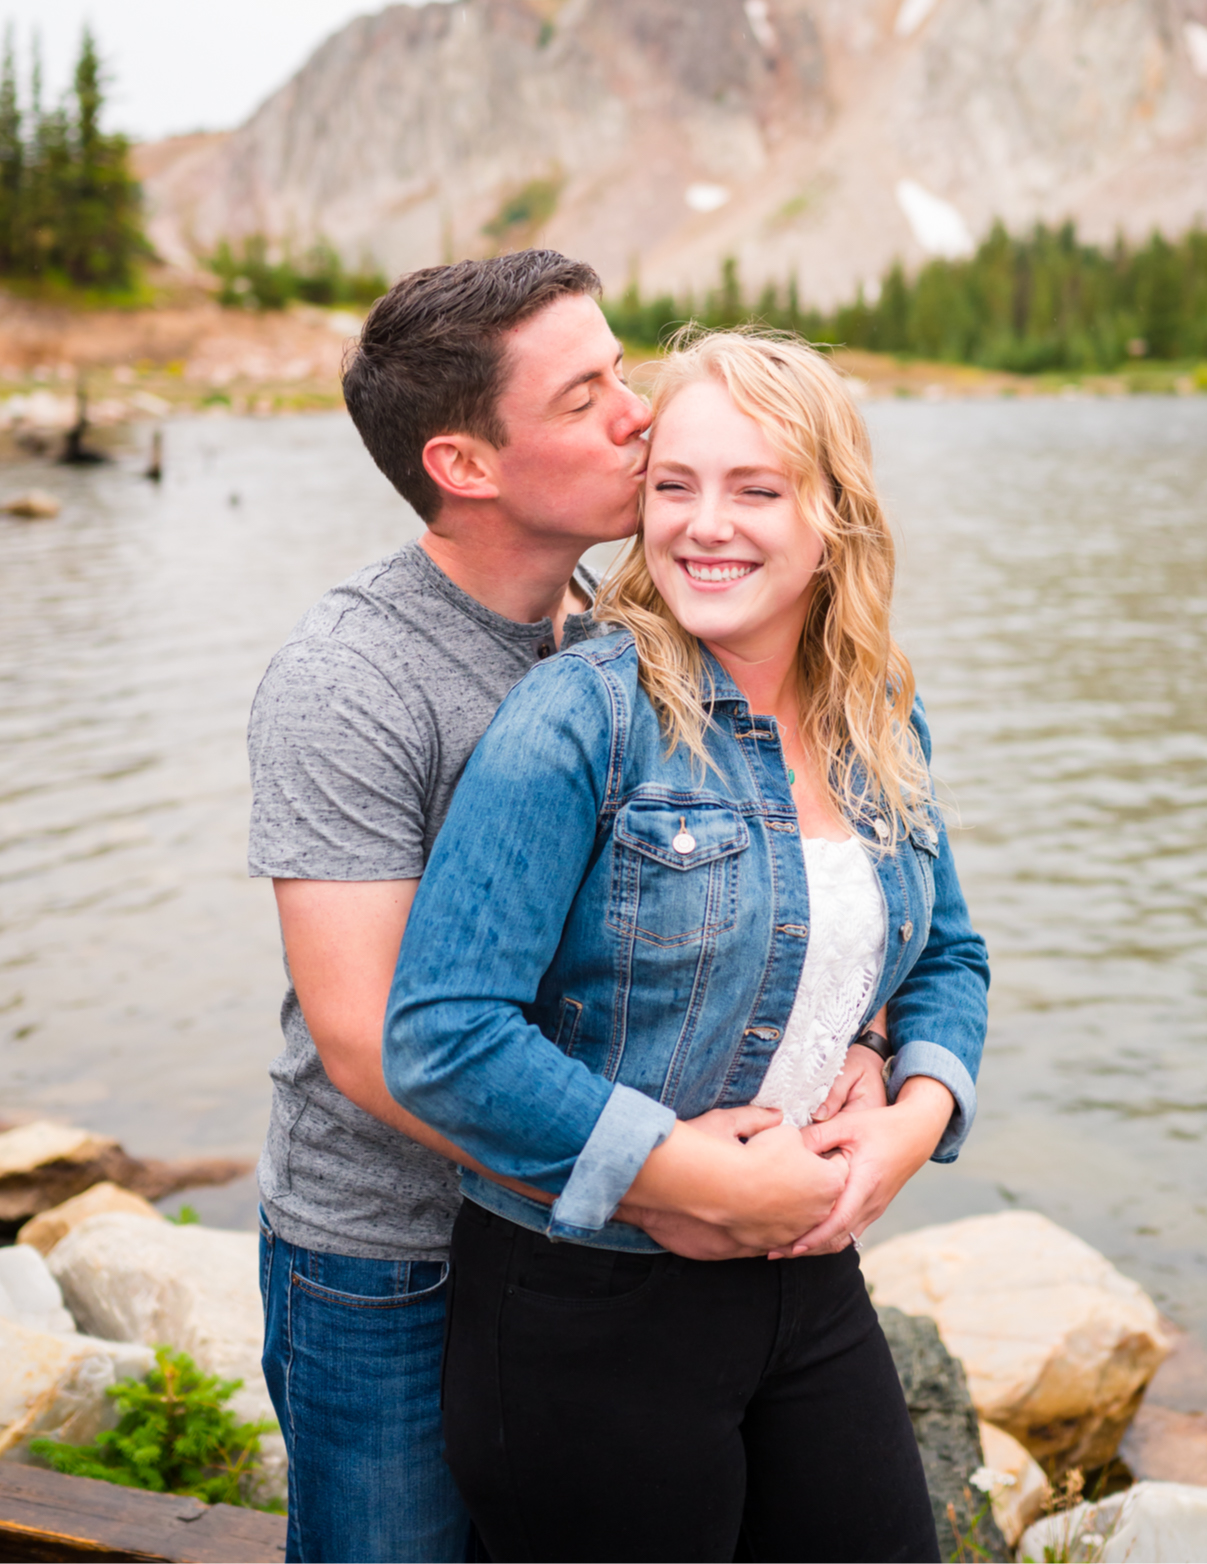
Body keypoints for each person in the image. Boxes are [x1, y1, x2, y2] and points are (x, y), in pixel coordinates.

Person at [248, 254, 888, 1564]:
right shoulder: (350, 675)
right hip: (390, 1260)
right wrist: (675, 1183)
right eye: (586, 395)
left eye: (623, 370)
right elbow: (372, 1040)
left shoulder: (617, 633)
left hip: (572, 1264)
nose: (639, 416)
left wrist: (864, 1057)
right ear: (467, 466)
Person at [385, 326, 991, 1564]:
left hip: (805, 1278)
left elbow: (950, 959)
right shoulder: (582, 718)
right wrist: (682, 1169)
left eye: (756, 488)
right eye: (675, 486)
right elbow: (441, 1039)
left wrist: (908, 1124)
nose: (705, 525)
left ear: (835, 516)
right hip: (584, 1303)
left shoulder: (878, 709)